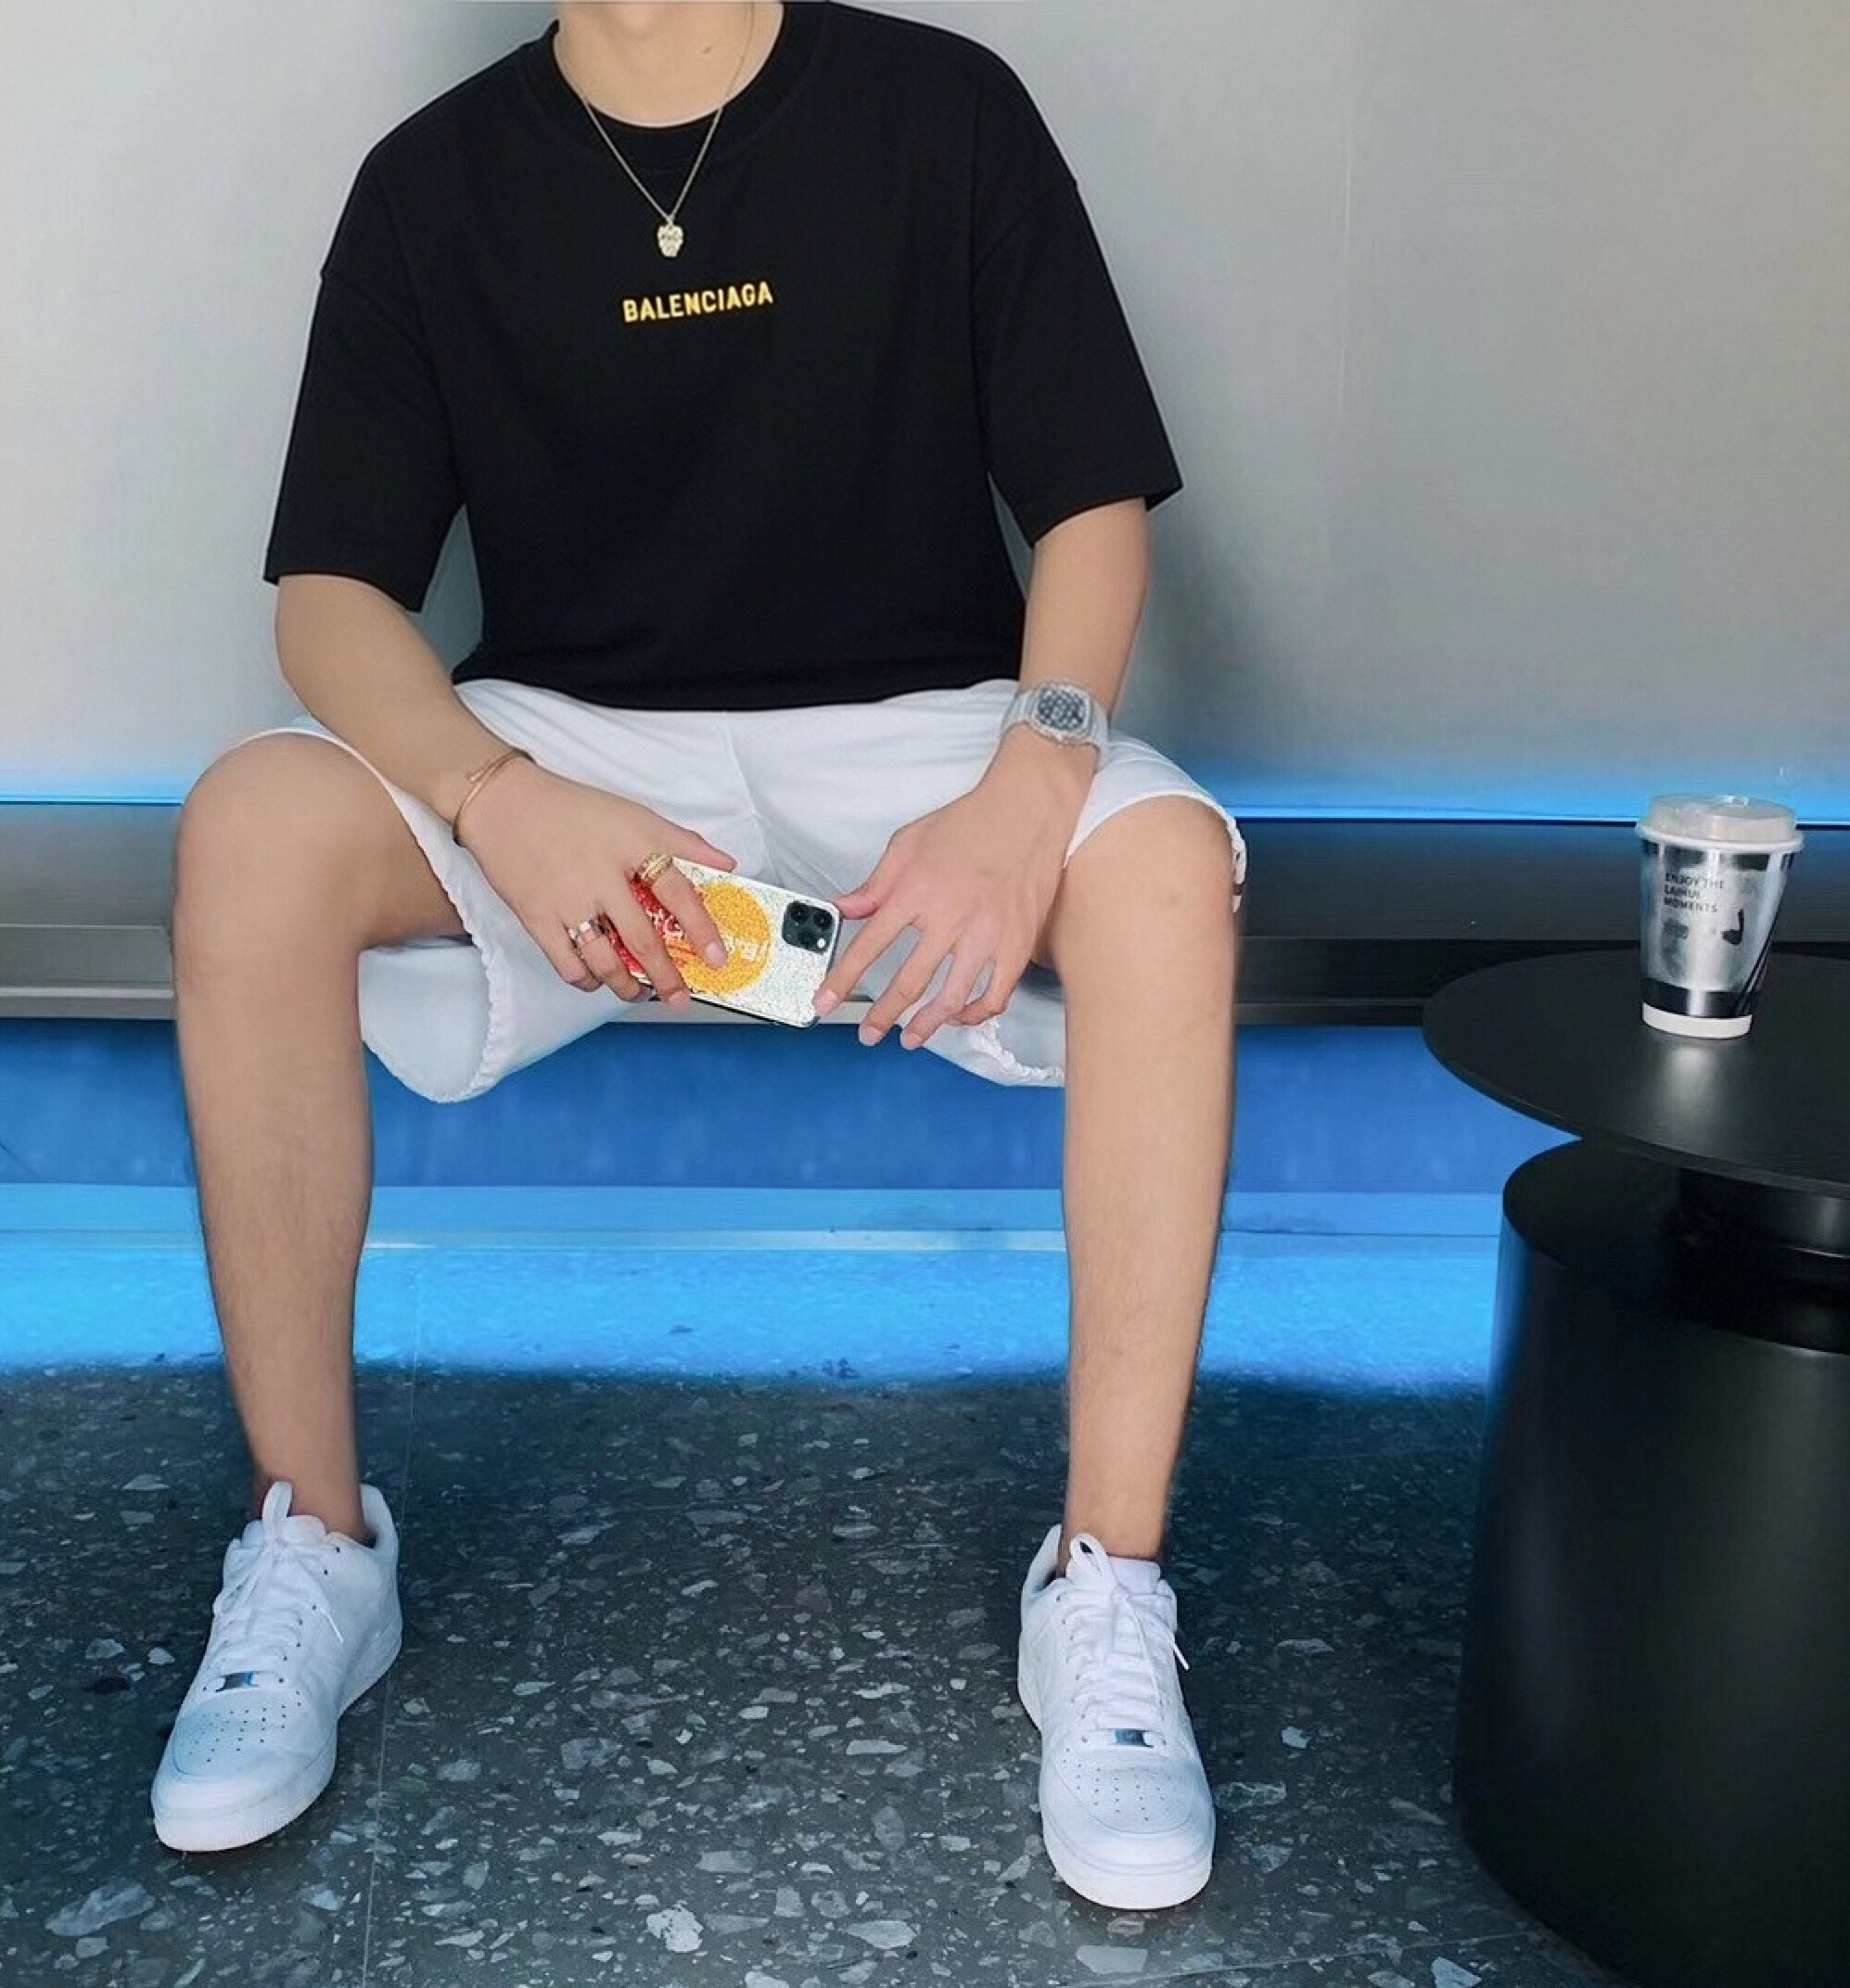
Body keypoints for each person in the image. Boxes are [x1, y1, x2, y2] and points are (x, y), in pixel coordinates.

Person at [154, 0, 1248, 1914]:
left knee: (1158, 869)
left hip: (927, 724)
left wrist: (1028, 785)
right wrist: (497, 795)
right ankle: (314, 1544)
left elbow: (1090, 505)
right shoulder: (431, 181)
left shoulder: (943, 109)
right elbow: (327, 597)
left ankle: (1107, 1583)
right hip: (570, 742)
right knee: (251, 826)